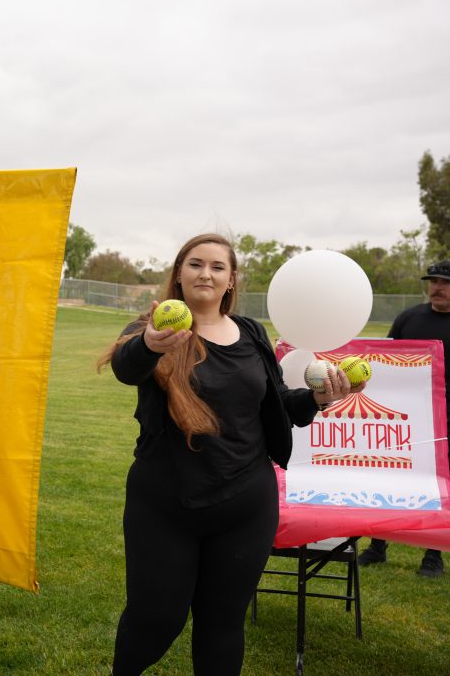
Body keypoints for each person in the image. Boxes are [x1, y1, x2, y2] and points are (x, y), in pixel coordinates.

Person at [100, 233, 363, 676]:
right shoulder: (152, 331)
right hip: (165, 502)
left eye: (217, 267)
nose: (206, 273)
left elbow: (276, 403)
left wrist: (318, 399)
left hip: (245, 504)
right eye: (195, 264)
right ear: (179, 276)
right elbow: (128, 367)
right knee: (156, 619)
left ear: (231, 280)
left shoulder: (253, 333)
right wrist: (149, 343)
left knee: (222, 625)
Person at [358, 259, 450, 578]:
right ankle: (377, 545)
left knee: (440, 486)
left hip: (445, 421)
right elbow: (385, 361)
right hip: (408, 419)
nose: (438, 287)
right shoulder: (409, 318)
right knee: (391, 478)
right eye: (434, 281)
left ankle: (433, 555)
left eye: (445, 282)